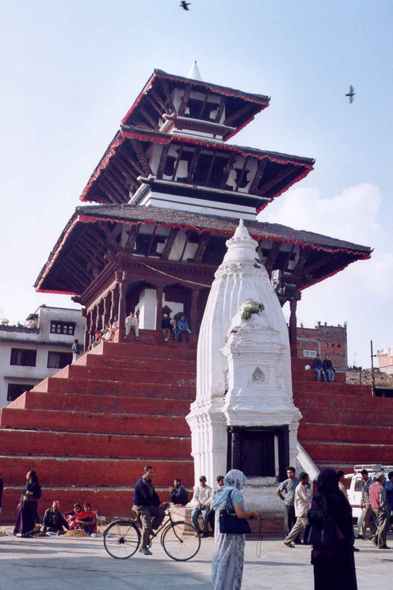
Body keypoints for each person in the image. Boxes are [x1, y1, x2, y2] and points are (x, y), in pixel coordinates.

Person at [212, 469, 260, 590]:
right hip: (232, 536)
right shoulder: (235, 493)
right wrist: (252, 514)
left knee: (221, 560)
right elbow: (240, 514)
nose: (242, 486)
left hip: (221, 533)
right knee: (232, 562)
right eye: (241, 483)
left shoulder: (220, 492)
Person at [310, 469, 357, 590]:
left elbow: (315, 519)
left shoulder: (320, 498)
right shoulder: (342, 499)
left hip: (326, 550)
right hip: (343, 550)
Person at [132, 466, 166, 555]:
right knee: (146, 526)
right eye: (150, 472)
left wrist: (160, 504)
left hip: (147, 506)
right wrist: (158, 505)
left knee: (161, 513)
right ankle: (143, 547)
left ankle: (151, 529)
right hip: (141, 507)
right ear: (145, 473)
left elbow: (154, 495)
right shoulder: (141, 483)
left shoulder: (149, 482)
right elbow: (147, 497)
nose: (152, 474)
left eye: (152, 472)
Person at [283, 472, 311, 547]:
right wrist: (308, 490)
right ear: (302, 479)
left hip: (301, 510)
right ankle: (311, 541)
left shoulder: (302, 487)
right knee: (308, 527)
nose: (308, 480)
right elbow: (306, 498)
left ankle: (287, 540)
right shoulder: (300, 488)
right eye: (306, 479)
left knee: (297, 528)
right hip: (302, 511)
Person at [276, 466, 301, 544]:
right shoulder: (286, 482)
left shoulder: (299, 481)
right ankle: (288, 538)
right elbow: (277, 491)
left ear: (294, 473)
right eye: (287, 473)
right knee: (288, 522)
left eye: (290, 473)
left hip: (297, 505)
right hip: (288, 504)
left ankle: (296, 538)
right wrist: (284, 499)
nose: (289, 474)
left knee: (296, 522)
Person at [14, 470, 42, 537]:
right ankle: (22, 531)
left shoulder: (36, 485)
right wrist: (19, 503)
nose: (26, 476)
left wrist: (31, 493)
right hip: (24, 504)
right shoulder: (26, 484)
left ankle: (30, 532)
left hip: (31, 504)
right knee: (23, 517)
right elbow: (23, 493)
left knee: (30, 518)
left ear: (31, 476)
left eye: (28, 474)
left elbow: (39, 495)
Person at [370, 473, 389, 549]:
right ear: (382, 479)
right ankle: (381, 544)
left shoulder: (371, 486)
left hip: (374, 507)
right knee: (382, 527)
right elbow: (382, 501)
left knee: (379, 525)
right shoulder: (381, 487)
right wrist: (385, 509)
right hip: (380, 509)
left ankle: (375, 538)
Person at [358, 468, 376, 539]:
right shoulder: (363, 483)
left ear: (366, 475)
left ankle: (362, 533)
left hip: (370, 502)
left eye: (364, 476)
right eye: (362, 476)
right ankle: (375, 534)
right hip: (365, 502)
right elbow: (362, 493)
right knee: (371, 520)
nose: (363, 477)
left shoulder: (371, 482)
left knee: (364, 518)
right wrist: (362, 502)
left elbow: (370, 492)